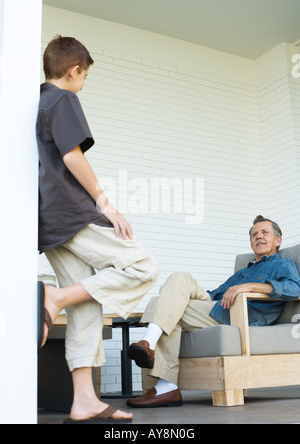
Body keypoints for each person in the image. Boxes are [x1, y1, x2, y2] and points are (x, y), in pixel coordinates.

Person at [36, 35, 159, 423]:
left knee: (85, 305)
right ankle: (53, 298)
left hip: (47, 223)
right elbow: (72, 155)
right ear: (74, 71)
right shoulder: (64, 99)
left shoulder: (34, 104)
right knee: (143, 266)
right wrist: (104, 201)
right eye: (84, 76)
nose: (83, 84)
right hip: (71, 214)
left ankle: (84, 399)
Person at [127, 215, 300, 408]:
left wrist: (250, 287)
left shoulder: (282, 264)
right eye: (254, 234)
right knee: (179, 280)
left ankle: (164, 379)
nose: (258, 236)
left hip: (240, 315)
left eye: (264, 232)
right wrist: (182, 295)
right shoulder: (242, 273)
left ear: (278, 240)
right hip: (218, 307)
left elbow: (294, 290)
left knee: (162, 304)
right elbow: (214, 294)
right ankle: (151, 353)